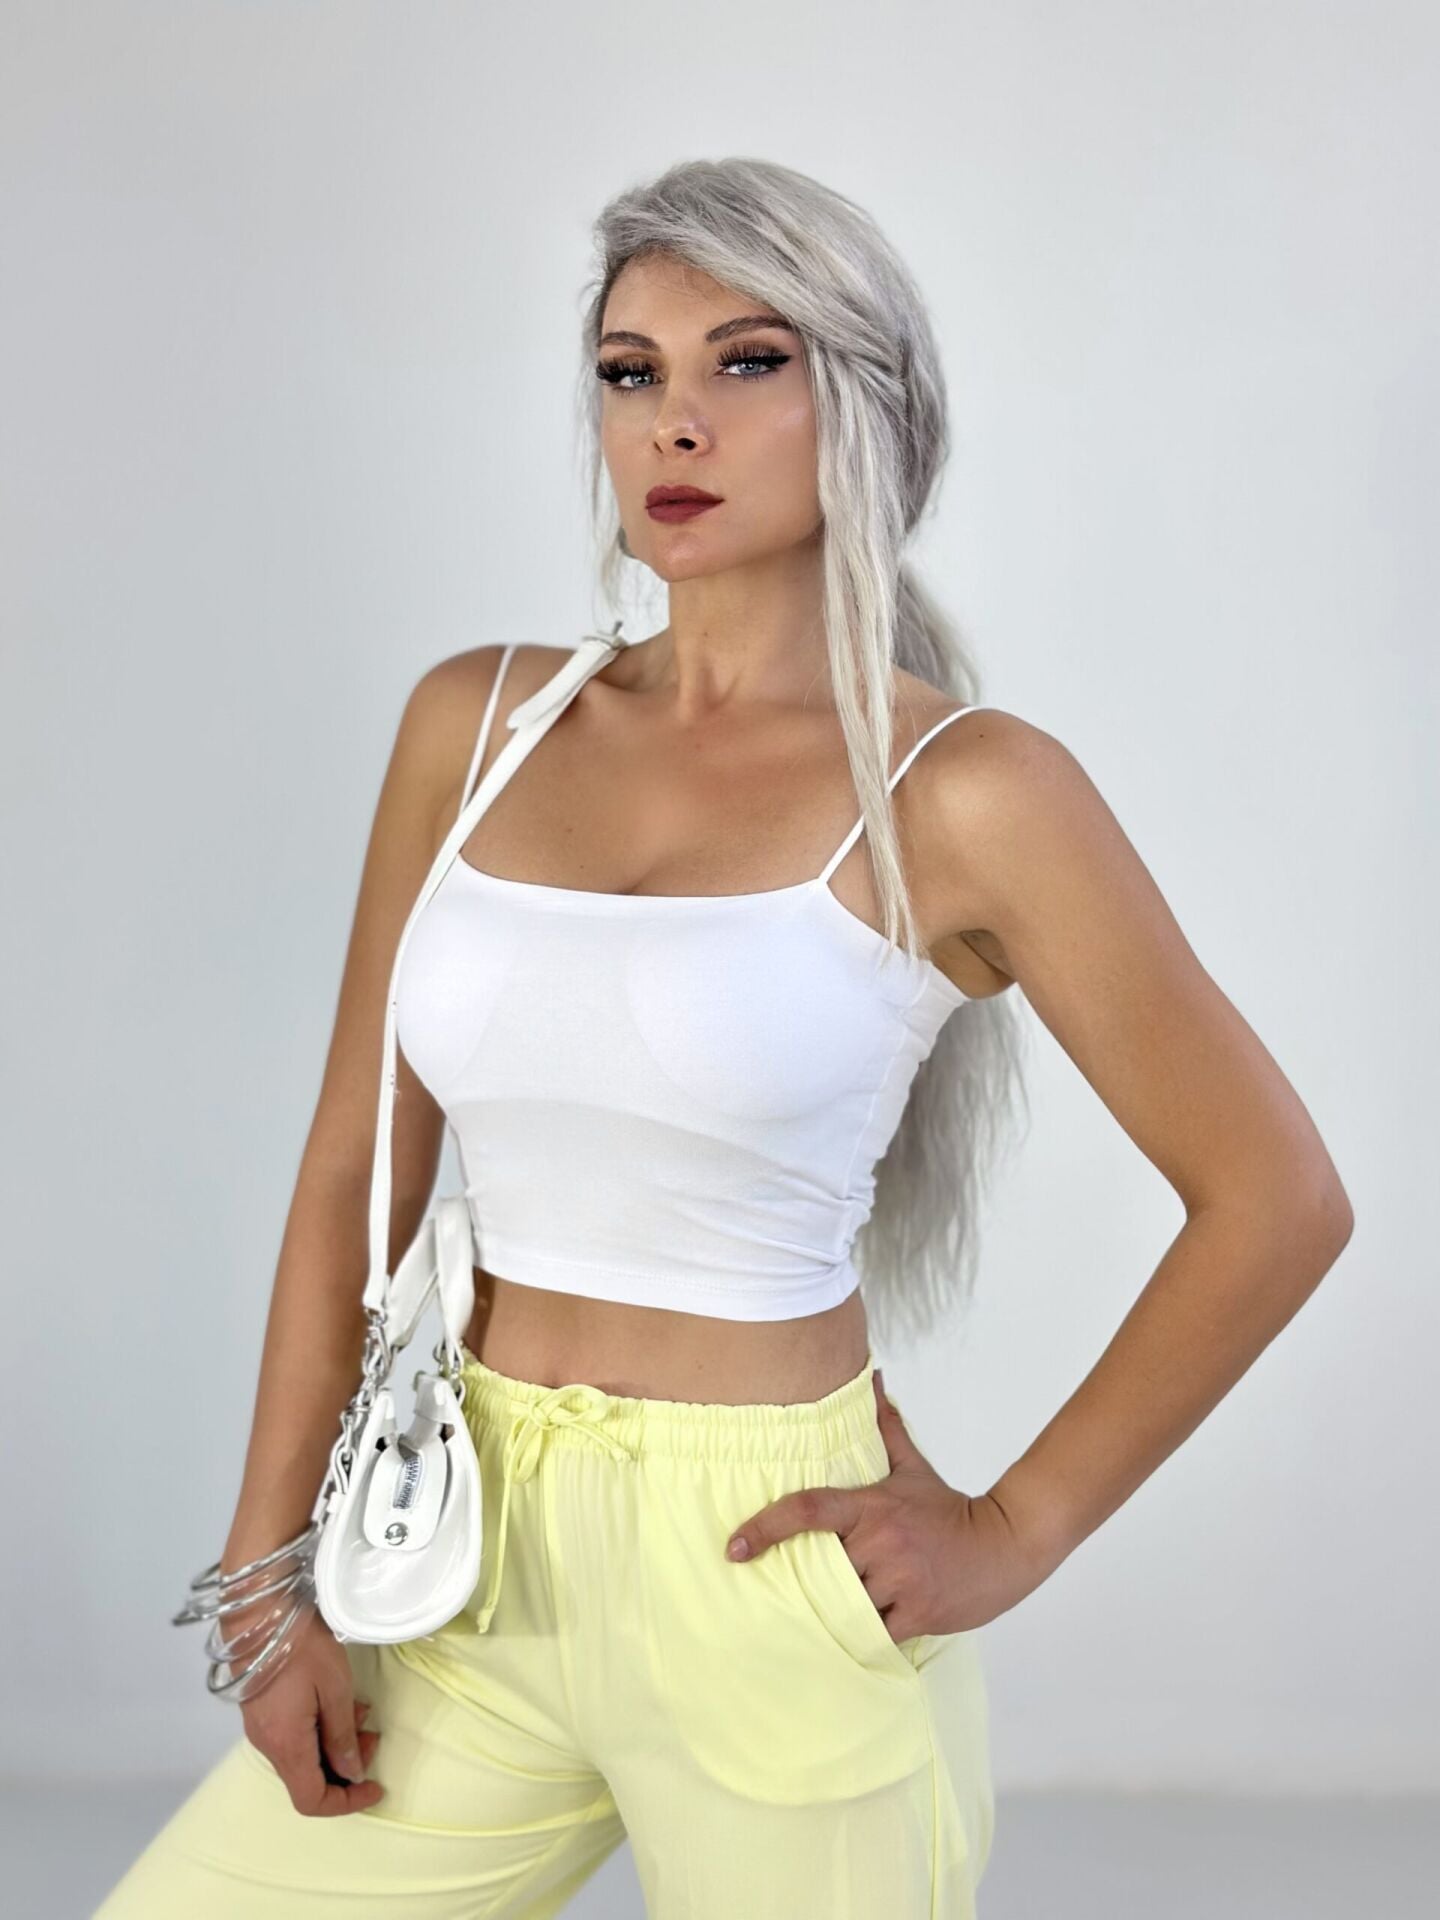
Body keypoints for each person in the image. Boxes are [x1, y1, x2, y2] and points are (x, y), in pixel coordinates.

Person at [95, 156, 1353, 1919]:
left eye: (747, 363)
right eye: (632, 374)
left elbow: (1277, 1198)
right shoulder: (475, 725)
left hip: (768, 1571)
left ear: (872, 411)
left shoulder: (970, 792)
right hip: (451, 1551)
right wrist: (269, 1570)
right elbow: (348, 1174)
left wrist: (1015, 1530)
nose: (673, 421)